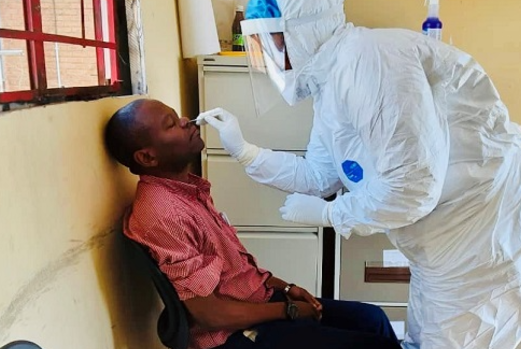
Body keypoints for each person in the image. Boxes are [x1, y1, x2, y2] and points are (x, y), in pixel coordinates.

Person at [197, 0, 521, 349]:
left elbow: (412, 188)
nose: (271, 56)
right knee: (430, 337)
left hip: (485, 219)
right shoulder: (333, 81)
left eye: (273, 41)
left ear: (301, 27)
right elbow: (319, 175)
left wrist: (333, 214)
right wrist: (245, 152)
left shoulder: (369, 60)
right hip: (448, 226)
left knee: (455, 341)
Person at [104, 99, 400, 349]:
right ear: (147, 156)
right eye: (171, 124)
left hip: (257, 303)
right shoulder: (162, 213)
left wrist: (288, 288)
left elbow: (237, 270)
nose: (186, 121)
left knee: (373, 319)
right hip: (230, 335)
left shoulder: (187, 191)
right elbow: (212, 316)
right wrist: (290, 310)